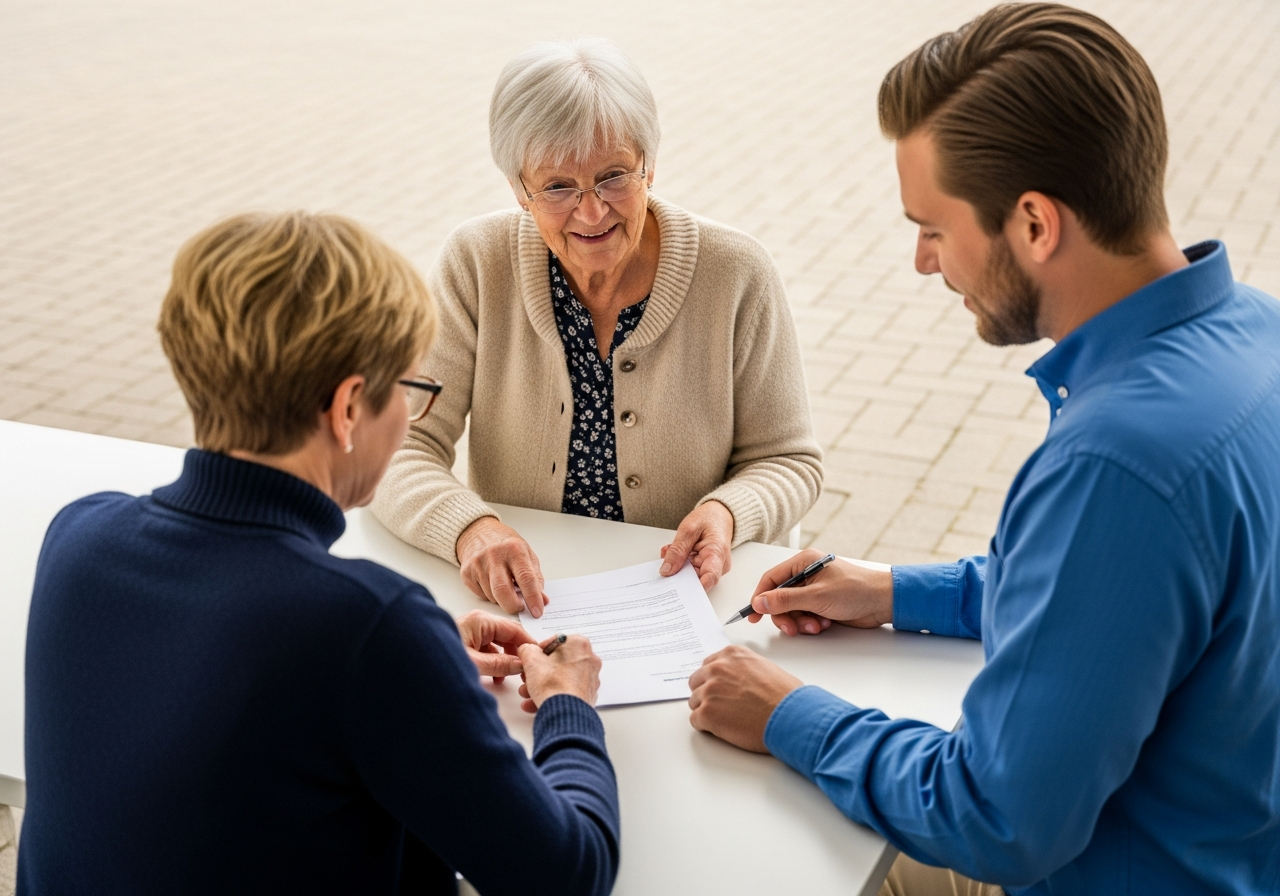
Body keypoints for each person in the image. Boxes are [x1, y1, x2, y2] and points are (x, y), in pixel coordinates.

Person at [687, 4, 1280, 894]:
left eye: (932, 228)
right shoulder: (1255, 334)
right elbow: (1115, 605)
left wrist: (787, 713)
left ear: (1035, 224)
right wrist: (893, 592)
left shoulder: (1114, 466)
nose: (927, 264)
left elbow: (996, 818)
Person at [20, 212, 619, 895]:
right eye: (412, 391)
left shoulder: (77, 538)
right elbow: (567, 876)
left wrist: (422, 665)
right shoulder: (367, 625)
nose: (410, 420)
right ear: (347, 408)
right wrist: (570, 705)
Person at [370, 37, 823, 616]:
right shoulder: (476, 262)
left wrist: (729, 513)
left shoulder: (735, 271)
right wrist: (471, 529)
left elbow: (789, 460)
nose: (591, 211)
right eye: (558, 186)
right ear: (518, 188)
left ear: (650, 166)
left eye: (614, 177)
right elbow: (397, 441)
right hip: (531, 601)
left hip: (692, 599)